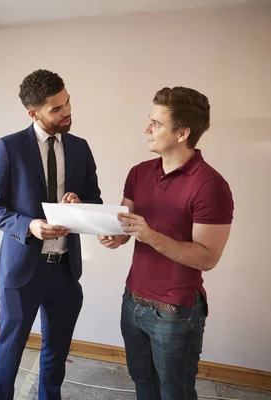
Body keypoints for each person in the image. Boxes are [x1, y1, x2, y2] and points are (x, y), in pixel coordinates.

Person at [98, 87, 234, 399]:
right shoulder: (139, 173)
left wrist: (150, 236)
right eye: (150, 121)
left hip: (175, 313)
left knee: (175, 393)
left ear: (183, 132)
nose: (147, 129)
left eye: (156, 124)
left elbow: (207, 258)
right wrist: (111, 235)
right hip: (132, 302)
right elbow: (124, 228)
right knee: (143, 384)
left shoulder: (211, 186)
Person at [0, 69, 102, 400]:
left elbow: (95, 200)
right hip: (22, 272)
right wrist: (29, 226)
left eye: (67, 103)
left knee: (56, 353)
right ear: (33, 113)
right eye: (57, 109)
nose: (67, 112)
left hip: (65, 269)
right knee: (10, 351)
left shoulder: (80, 148)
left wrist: (80, 204)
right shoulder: (9, 147)